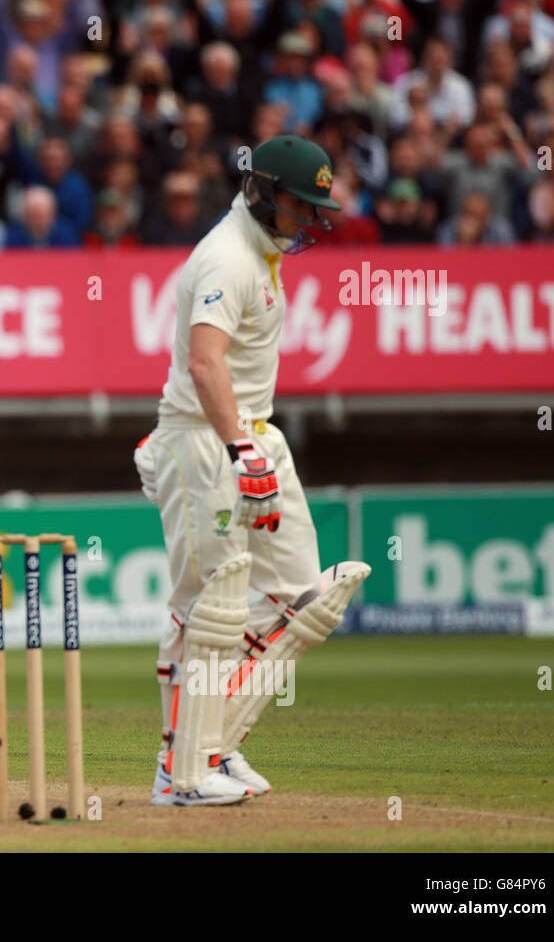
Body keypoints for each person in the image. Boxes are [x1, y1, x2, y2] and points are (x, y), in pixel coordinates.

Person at [133, 135, 371, 806]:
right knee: (203, 607)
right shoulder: (226, 259)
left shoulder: (262, 253)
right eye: (301, 206)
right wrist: (238, 448)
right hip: (208, 442)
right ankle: (178, 768)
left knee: (303, 599)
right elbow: (205, 362)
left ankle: (215, 739)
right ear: (263, 192)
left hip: (252, 433)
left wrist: (252, 443)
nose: (310, 220)